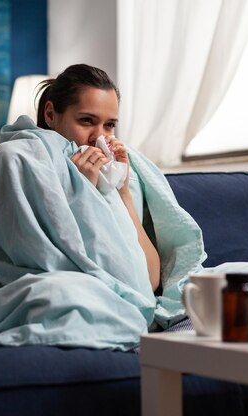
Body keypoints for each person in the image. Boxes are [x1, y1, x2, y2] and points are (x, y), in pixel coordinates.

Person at [34, 64, 161, 292]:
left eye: (109, 125)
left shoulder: (115, 179)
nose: (98, 138)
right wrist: (82, 192)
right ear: (51, 114)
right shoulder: (34, 168)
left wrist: (124, 193)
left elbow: (150, 280)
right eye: (86, 121)